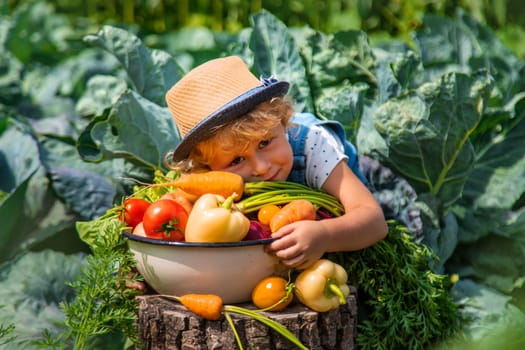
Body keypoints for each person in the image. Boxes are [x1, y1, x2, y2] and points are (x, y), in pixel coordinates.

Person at [164, 55, 388, 269]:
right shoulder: (202, 177)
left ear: (282, 121)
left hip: (343, 208)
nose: (261, 168)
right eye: (237, 160)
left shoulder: (312, 145)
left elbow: (374, 221)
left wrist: (325, 235)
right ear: (206, 167)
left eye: (264, 143)